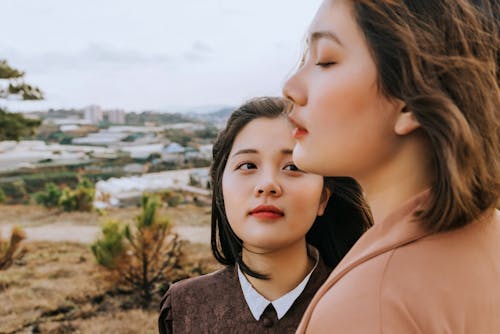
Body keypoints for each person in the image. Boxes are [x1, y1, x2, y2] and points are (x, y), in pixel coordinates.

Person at [282, 0, 499, 333]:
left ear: (411, 100)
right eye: (304, 60)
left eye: (325, 60)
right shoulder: (489, 236)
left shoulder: (369, 305)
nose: (291, 87)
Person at [158, 97, 371, 333]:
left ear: (323, 198)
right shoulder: (185, 308)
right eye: (248, 165)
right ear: (220, 189)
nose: (267, 184)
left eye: (292, 167)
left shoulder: (367, 308)